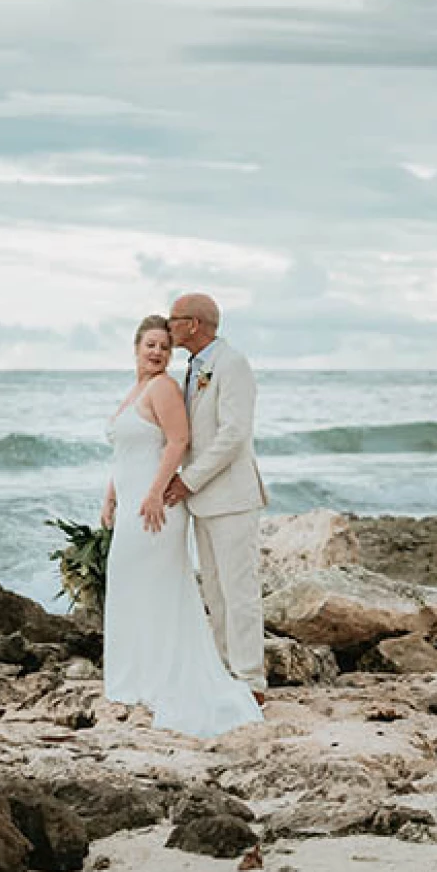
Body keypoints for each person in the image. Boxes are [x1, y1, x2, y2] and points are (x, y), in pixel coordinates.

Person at [100, 314, 263, 738]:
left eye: (163, 346)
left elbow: (178, 442)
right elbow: (125, 453)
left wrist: (155, 493)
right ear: (135, 347)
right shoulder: (134, 391)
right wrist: (112, 495)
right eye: (150, 344)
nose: (156, 352)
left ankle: (182, 676)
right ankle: (136, 674)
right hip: (133, 501)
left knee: (159, 585)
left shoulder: (165, 387)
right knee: (129, 581)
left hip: (156, 507)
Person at [164, 294, 268, 705]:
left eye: (173, 320)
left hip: (231, 497)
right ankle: (227, 673)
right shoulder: (192, 369)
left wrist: (188, 480)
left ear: (193, 324)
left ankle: (251, 681)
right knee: (216, 594)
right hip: (204, 501)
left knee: (240, 591)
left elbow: (233, 434)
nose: (167, 326)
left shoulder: (231, 364)